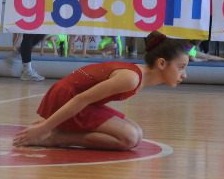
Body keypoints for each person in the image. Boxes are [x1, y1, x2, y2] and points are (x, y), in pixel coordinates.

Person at [13, 30, 189, 151]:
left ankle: (59, 129)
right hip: (66, 97)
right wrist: (44, 128)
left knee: (137, 135)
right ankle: (56, 137)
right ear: (161, 63)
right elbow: (81, 99)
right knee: (128, 138)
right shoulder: (131, 78)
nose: (184, 75)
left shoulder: (138, 77)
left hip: (76, 99)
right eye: (181, 67)